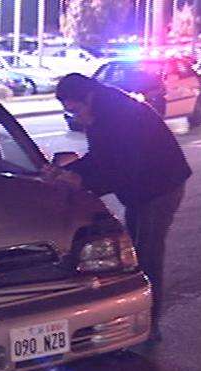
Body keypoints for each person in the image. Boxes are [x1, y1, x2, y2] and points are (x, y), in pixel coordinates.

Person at [54, 73, 192, 343]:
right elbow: (100, 158)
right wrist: (70, 170)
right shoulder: (101, 114)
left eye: (74, 108)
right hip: (142, 188)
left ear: (87, 97)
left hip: (159, 189)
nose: (73, 116)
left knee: (147, 255)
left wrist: (83, 183)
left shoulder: (119, 116)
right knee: (138, 253)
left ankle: (149, 325)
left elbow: (124, 170)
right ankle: (138, 318)